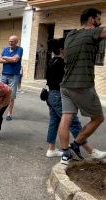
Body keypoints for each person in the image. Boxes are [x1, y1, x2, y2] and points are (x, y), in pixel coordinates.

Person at [58, 8, 106, 164]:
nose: (100, 22)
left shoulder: (70, 35)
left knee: (66, 118)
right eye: (99, 19)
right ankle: (76, 144)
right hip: (82, 84)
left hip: (65, 85)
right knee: (98, 118)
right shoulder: (93, 32)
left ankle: (65, 153)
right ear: (92, 20)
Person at [45, 38, 106, 159]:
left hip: (51, 95)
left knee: (54, 122)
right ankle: (90, 151)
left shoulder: (51, 61)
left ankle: (51, 149)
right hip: (59, 96)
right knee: (73, 122)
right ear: (62, 49)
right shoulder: (63, 63)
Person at [0, 35, 23, 121]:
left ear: (16, 42)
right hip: (4, 74)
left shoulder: (20, 49)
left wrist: (4, 58)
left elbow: (15, 60)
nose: (10, 43)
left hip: (14, 76)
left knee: (11, 95)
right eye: (9, 41)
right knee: (0, 93)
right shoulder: (5, 49)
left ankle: (9, 114)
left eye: (12, 41)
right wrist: (10, 59)